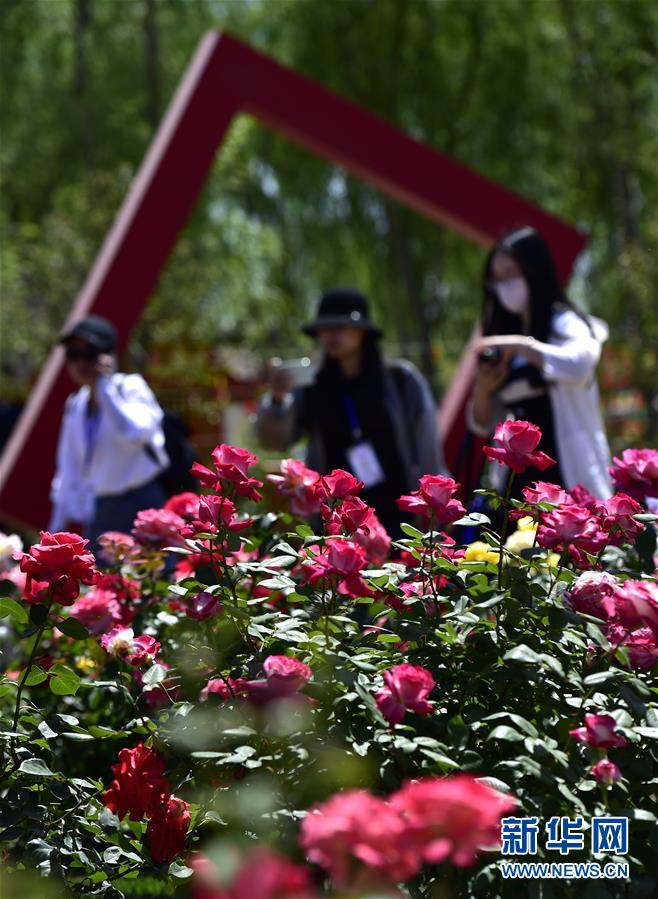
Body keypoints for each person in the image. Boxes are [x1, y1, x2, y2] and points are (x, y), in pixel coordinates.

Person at [256, 287, 447, 537]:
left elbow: (427, 444)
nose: (330, 335)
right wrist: (278, 399)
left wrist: (435, 505)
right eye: (324, 328)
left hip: (399, 515)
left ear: (362, 331)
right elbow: (274, 441)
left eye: (340, 326)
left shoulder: (400, 379)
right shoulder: (312, 386)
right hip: (335, 521)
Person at [468, 226, 612, 499]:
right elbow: (482, 424)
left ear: (535, 271)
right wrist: (483, 390)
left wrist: (524, 345)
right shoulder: (504, 341)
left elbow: (580, 363)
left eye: (511, 274)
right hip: (518, 484)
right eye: (497, 280)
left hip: (570, 477)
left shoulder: (565, 324)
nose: (504, 287)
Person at [49, 315, 169, 550]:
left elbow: (135, 433)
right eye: (73, 354)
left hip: (142, 504)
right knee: (101, 585)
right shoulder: (75, 404)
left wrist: (105, 389)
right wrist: (53, 539)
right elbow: (67, 471)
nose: (80, 363)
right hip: (102, 510)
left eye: (88, 353)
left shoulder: (130, 387)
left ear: (108, 355)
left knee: (153, 582)